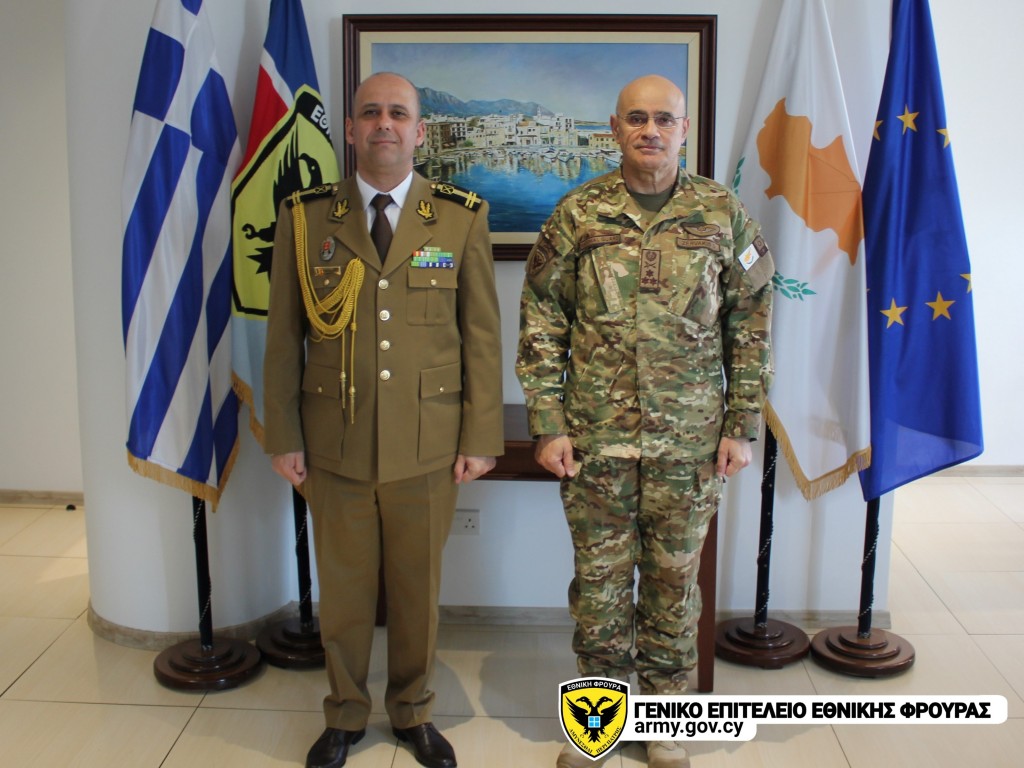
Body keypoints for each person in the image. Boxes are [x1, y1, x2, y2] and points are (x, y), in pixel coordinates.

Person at [516, 74, 774, 768]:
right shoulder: (578, 213)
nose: (650, 131)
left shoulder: (722, 214)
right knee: (599, 593)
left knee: (673, 589)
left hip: (690, 447)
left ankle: (664, 722)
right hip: (596, 443)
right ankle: (596, 726)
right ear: (615, 128)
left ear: (684, 129)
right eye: (637, 118)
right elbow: (542, 318)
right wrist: (548, 421)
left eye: (664, 119)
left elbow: (751, 321)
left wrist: (741, 423)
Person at [264, 71, 504, 768]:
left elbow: (482, 336)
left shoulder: (458, 217)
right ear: (350, 129)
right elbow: (282, 336)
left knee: (416, 593)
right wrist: (284, 435)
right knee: (343, 595)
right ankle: (344, 714)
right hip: (333, 440)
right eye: (370, 112)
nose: (384, 124)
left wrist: (480, 437)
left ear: (420, 131)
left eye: (398, 113)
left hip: (428, 443)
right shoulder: (306, 217)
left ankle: (412, 711)